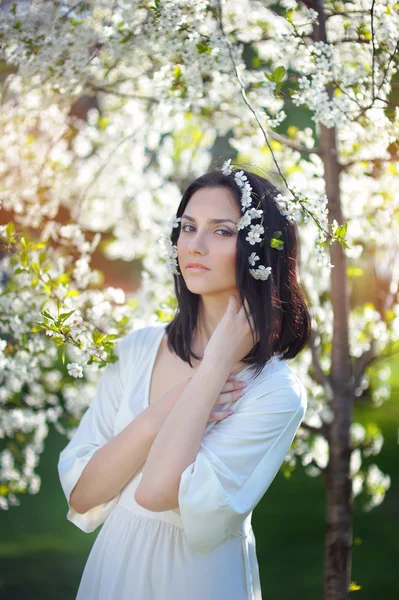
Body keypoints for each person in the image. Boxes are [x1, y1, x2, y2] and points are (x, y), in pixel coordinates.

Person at [58, 162, 312, 600]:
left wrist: (214, 366)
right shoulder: (137, 350)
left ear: (259, 249)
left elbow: (157, 491)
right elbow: (83, 496)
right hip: (115, 566)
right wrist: (175, 403)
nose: (194, 246)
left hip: (197, 580)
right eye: (188, 227)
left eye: (221, 231)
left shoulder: (275, 393)